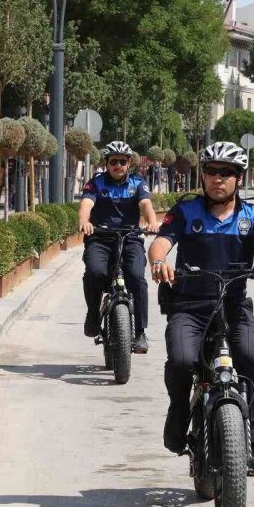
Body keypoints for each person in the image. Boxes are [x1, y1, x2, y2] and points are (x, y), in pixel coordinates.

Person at [148, 142, 254, 474]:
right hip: (190, 308)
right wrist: (159, 262)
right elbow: (161, 242)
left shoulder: (252, 215)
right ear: (203, 176)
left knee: (251, 356)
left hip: (234, 307)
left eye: (226, 172)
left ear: (239, 178)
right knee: (182, 360)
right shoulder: (186, 211)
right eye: (211, 171)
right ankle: (179, 413)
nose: (218, 178)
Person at [79, 141, 157, 353]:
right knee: (95, 272)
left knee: (136, 276)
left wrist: (151, 221)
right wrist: (85, 221)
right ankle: (93, 314)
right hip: (100, 238)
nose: (118, 166)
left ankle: (140, 332)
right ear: (107, 163)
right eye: (113, 162)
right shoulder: (96, 183)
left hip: (130, 238)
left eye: (122, 162)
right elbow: (86, 204)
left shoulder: (138, 183)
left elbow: (146, 204)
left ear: (129, 163)